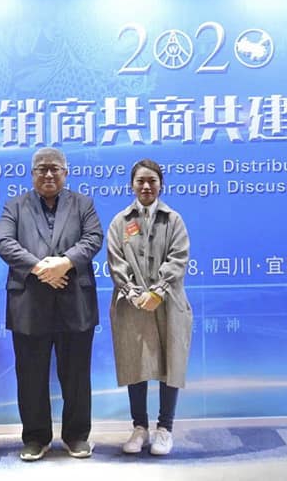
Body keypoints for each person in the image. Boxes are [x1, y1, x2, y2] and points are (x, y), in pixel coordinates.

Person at [0, 148, 103, 461]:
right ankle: (35, 437)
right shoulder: (15, 205)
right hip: (29, 302)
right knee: (30, 375)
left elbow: (93, 238)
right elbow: (4, 242)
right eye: (41, 169)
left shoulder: (83, 204)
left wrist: (65, 263)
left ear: (65, 173)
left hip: (75, 300)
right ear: (32, 174)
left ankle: (76, 436)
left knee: (77, 375)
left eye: (55, 168)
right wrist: (41, 268)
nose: (48, 174)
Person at [106, 158, 193, 456]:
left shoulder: (174, 220)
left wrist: (158, 291)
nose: (146, 186)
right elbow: (116, 262)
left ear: (161, 185)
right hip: (133, 305)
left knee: (171, 362)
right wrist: (133, 293)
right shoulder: (120, 222)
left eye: (152, 181)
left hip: (168, 303)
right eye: (140, 181)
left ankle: (165, 429)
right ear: (132, 185)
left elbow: (179, 258)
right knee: (136, 363)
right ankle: (139, 428)